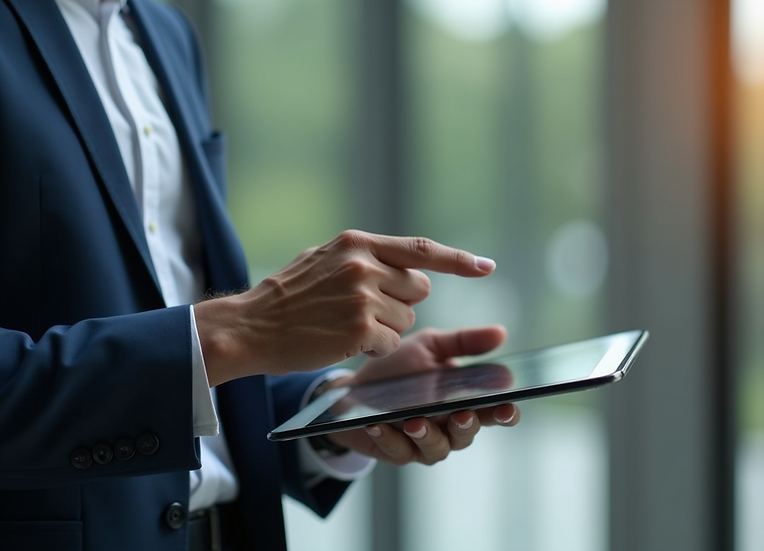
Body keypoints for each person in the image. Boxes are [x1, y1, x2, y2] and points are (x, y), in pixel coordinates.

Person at [0, 0, 520, 550]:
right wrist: (241, 328)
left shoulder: (165, 30)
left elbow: (180, 341)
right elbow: (200, 343)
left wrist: (333, 406)